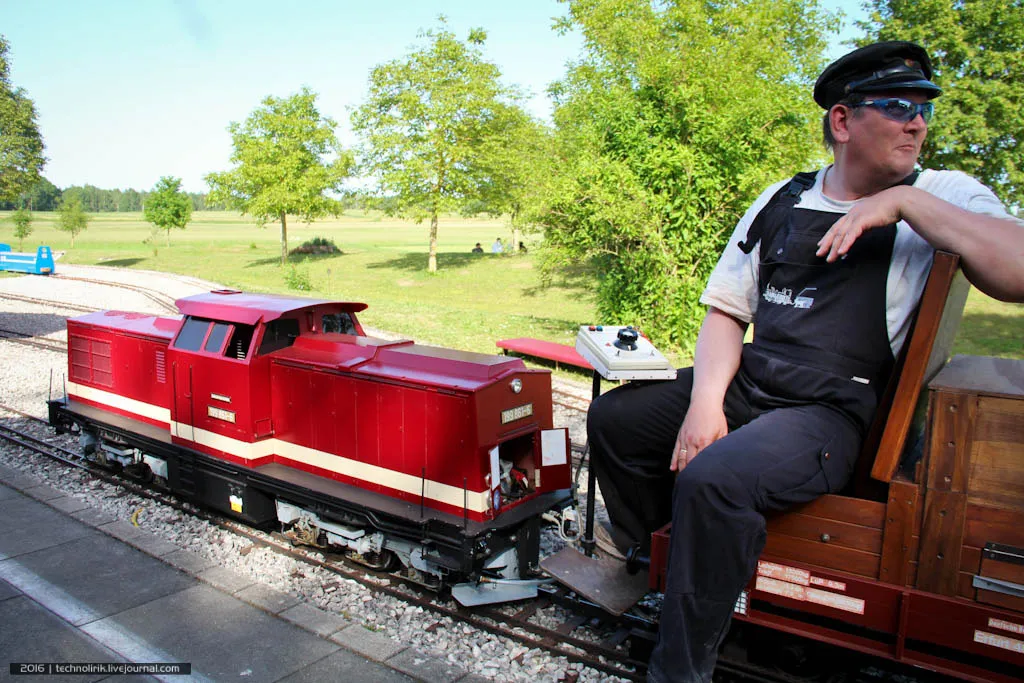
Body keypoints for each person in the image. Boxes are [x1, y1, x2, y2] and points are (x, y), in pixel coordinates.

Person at [585, 41, 1024, 683]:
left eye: (925, 107)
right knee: (618, 421)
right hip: (754, 383)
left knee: (715, 478)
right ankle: (675, 566)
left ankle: (678, 670)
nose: (917, 122)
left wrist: (901, 205)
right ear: (843, 123)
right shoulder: (782, 198)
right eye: (898, 106)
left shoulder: (942, 193)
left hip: (831, 411)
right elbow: (727, 312)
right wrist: (706, 404)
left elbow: (1016, 271)